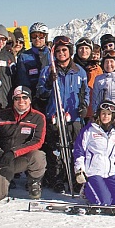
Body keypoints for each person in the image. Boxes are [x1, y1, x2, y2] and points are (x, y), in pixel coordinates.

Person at [37, 36, 90, 191]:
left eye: (64, 50)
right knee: (56, 149)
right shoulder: (48, 70)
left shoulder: (79, 71)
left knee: (75, 148)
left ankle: (74, 179)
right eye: (58, 51)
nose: (61, 53)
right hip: (55, 115)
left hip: (74, 116)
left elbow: (85, 91)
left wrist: (84, 106)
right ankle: (57, 178)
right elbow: (40, 92)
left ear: (70, 52)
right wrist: (48, 84)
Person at [0, 86, 47, 201]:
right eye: (17, 98)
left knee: (38, 155)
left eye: (24, 97)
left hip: (22, 158)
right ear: (13, 100)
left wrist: (14, 152)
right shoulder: (1, 115)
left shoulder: (38, 117)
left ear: (30, 100)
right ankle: (1, 181)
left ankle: (34, 182)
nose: (21, 101)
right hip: (3, 159)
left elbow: (37, 142)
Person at [73, 100, 115, 207]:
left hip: (110, 173)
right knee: (104, 202)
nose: (106, 116)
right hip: (93, 172)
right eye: (103, 113)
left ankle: (102, 190)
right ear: (98, 114)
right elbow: (79, 151)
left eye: (109, 114)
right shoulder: (89, 130)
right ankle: (87, 189)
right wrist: (79, 170)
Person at [16, 22, 51, 104]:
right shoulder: (24, 56)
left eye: (41, 36)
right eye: (34, 36)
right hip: (33, 97)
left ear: (46, 37)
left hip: (50, 96)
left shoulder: (52, 55)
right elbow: (22, 79)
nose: (37, 39)